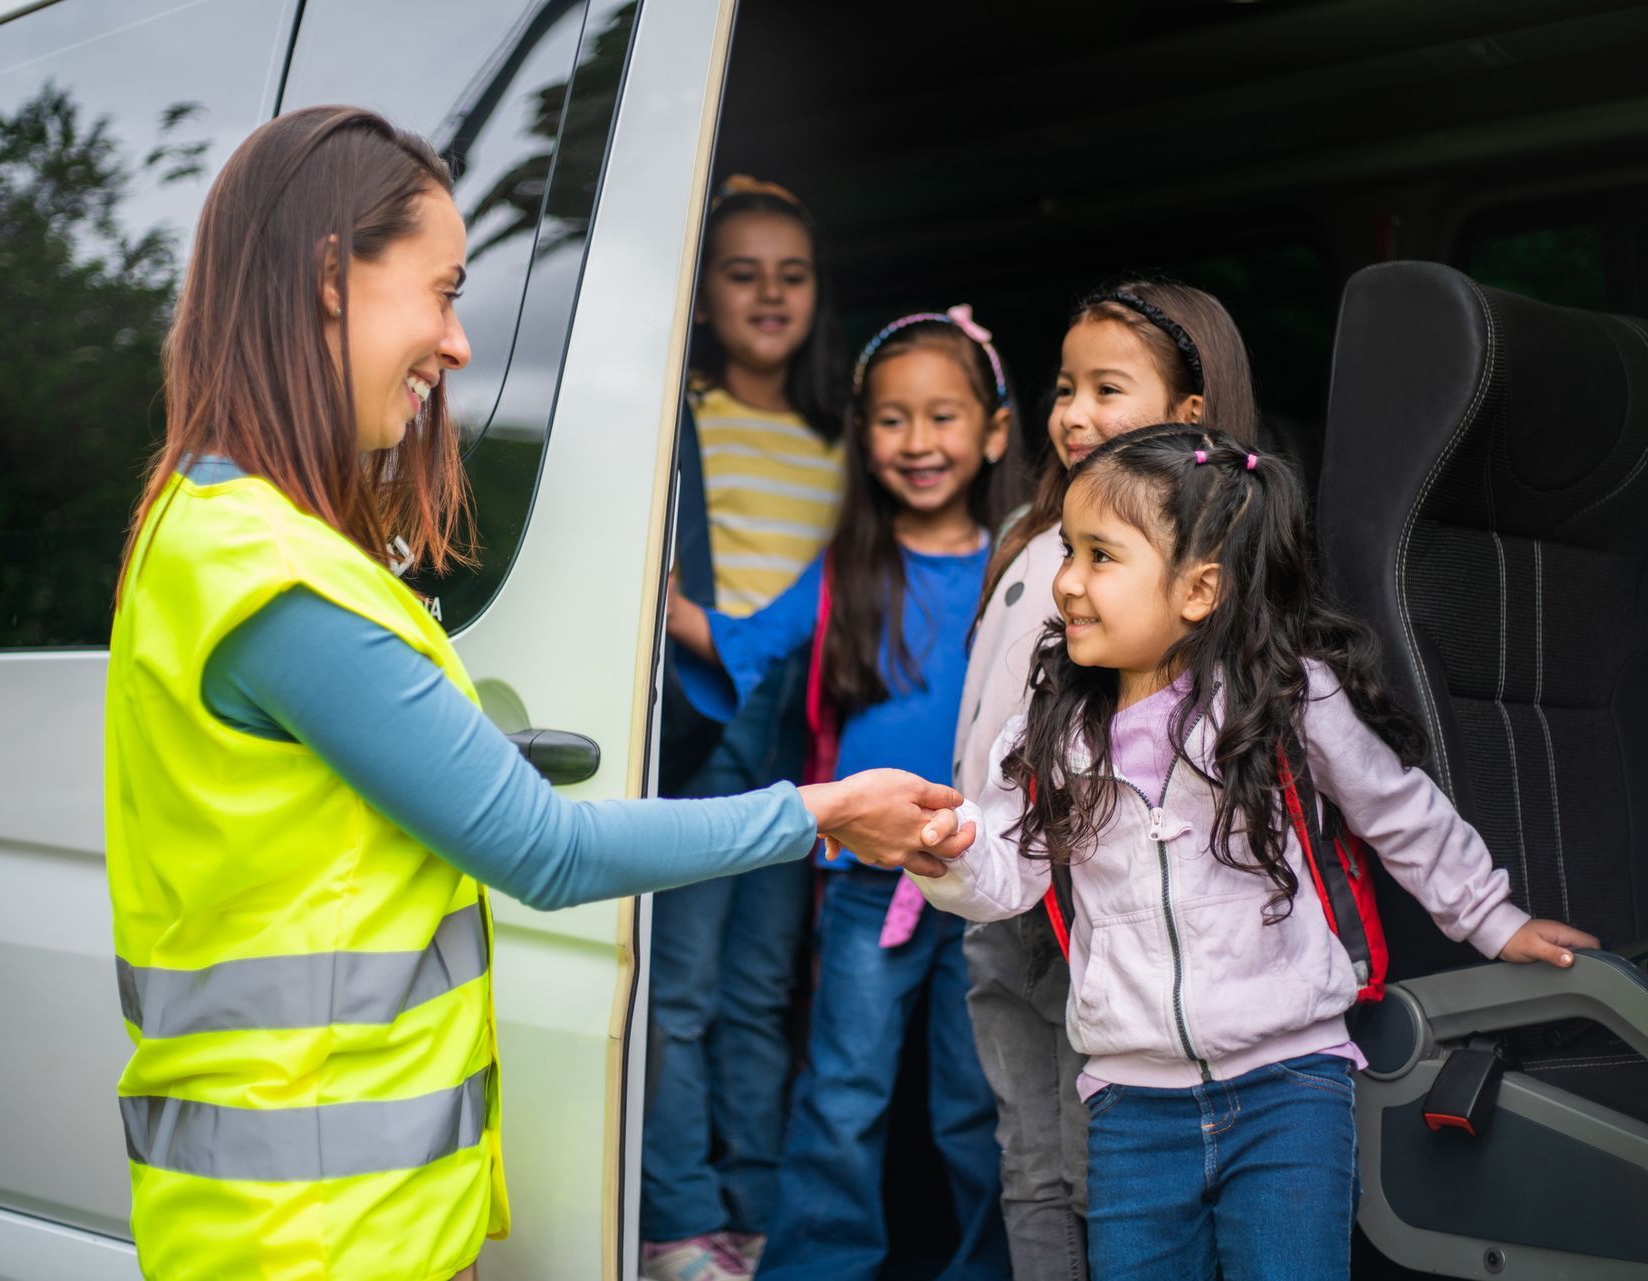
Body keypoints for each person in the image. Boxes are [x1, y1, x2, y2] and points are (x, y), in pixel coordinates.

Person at [101, 106, 971, 1281]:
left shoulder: (223, 533)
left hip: (332, 1223)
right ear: (328, 281)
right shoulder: (274, 574)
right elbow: (543, 851)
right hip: (317, 1238)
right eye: (444, 290)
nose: (459, 343)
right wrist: (821, 811)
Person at [914, 425, 1599, 1281]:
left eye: (1100, 556)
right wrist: (939, 854)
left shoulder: (1284, 699)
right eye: (1068, 552)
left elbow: (1398, 812)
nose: (1068, 582)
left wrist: (1494, 919)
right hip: (1131, 1107)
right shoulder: (1053, 728)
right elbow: (1005, 876)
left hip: (1290, 1087)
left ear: (1199, 589)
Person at [666, 307, 1019, 1280]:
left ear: (993, 432)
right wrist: (657, 599)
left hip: (990, 886)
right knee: (844, 1089)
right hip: (870, 880)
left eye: (943, 417)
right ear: (862, 436)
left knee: (975, 1100)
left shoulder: (1025, 569)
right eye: (893, 419)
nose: (918, 443)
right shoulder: (847, 569)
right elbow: (746, 644)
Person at [954, 283, 1258, 1281]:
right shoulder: (1036, 540)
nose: (1074, 414)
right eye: (1064, 388)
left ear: (1190, 417)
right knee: (1028, 1156)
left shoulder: (1164, 568)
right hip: (994, 885)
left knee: (1088, 1160)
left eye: (1108, 390)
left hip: (1078, 893)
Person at [643, 174, 848, 1281]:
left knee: (763, 987)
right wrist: (694, 625)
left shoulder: (840, 437)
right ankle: (678, 1215)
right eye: (742, 273)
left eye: (792, 275)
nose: (769, 294)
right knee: (680, 987)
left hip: (799, 730)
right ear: (704, 292)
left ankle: (755, 1209)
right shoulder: (681, 419)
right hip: (704, 713)